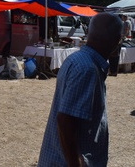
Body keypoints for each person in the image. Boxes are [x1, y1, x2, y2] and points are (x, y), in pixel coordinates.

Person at [37, 12, 122, 167]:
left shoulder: (77, 60)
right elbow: (65, 120)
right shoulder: (87, 69)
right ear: (117, 40)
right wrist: (75, 163)